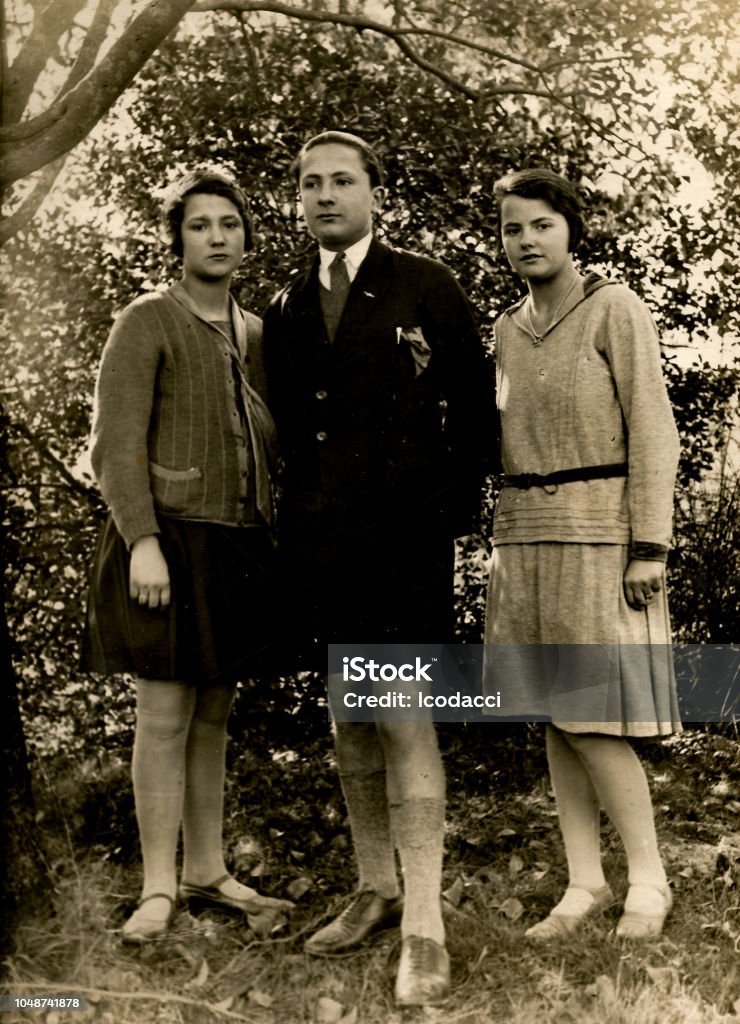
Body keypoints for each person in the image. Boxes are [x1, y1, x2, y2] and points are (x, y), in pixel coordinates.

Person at [262, 131, 495, 1005]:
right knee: (349, 720)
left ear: (374, 192)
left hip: (403, 549)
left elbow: (475, 414)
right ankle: (377, 886)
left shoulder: (424, 284)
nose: (324, 196)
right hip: (324, 552)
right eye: (309, 184)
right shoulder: (285, 305)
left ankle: (426, 928)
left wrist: (437, 517)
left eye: (341, 181)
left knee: (401, 721)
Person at [82, 166, 292, 943]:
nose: (216, 237)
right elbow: (113, 444)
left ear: (246, 237)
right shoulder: (148, 319)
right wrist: (143, 542)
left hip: (235, 547)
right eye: (200, 225)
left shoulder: (257, 334)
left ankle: (208, 870)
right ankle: (158, 888)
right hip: (165, 544)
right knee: (164, 716)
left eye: (229, 225)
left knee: (213, 715)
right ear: (178, 241)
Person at [484, 168, 681, 942]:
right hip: (524, 535)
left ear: (570, 229)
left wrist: (649, 544)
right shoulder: (505, 328)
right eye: (511, 229)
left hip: (603, 535)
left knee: (593, 714)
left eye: (540, 224)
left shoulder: (614, 307)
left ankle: (650, 882)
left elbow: (653, 429)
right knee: (555, 716)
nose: (526, 240)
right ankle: (584, 883)